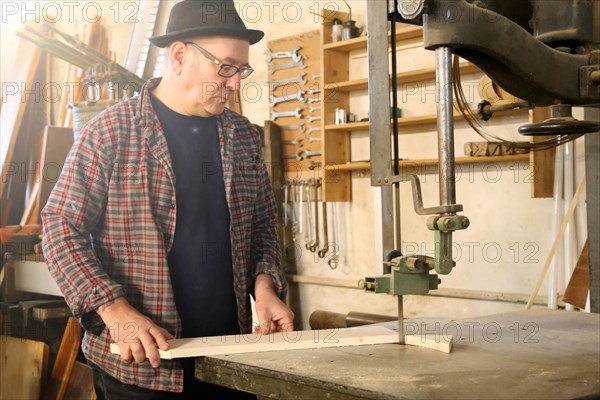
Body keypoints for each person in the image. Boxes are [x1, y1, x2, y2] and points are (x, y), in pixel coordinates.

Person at [42, 0, 294, 397]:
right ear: (179, 57)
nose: (236, 84)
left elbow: (262, 226)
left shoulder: (243, 136)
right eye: (225, 67)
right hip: (143, 367)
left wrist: (265, 288)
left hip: (228, 359)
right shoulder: (109, 134)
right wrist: (114, 311)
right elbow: (59, 228)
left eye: (241, 70)